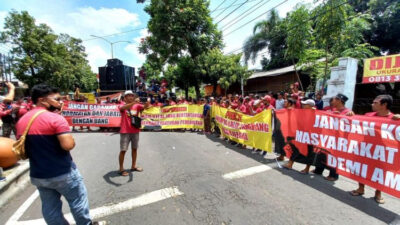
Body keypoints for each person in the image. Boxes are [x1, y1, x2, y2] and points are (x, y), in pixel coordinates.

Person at [16, 84, 104, 225]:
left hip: (38, 175)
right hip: (63, 173)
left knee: (50, 209)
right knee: (78, 203)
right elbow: (68, 145)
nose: (60, 102)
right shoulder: (55, 118)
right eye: (57, 99)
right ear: (42, 100)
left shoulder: (23, 120)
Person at [350, 95, 400, 204]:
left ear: (384, 105)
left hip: (382, 151)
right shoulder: (368, 116)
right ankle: (360, 188)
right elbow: (356, 122)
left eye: (375, 103)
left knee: (380, 172)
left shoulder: (394, 119)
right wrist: (351, 116)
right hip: (366, 148)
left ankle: (378, 193)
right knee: (362, 167)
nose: (372, 104)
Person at [118, 91, 150, 176]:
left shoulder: (137, 105)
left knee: (135, 149)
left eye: (132, 95)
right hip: (125, 131)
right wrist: (134, 102)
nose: (130, 97)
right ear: (125, 98)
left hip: (135, 131)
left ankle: (133, 166)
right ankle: (121, 168)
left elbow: (145, 107)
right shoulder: (122, 104)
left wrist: (148, 101)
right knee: (123, 150)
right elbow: (123, 108)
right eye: (128, 96)